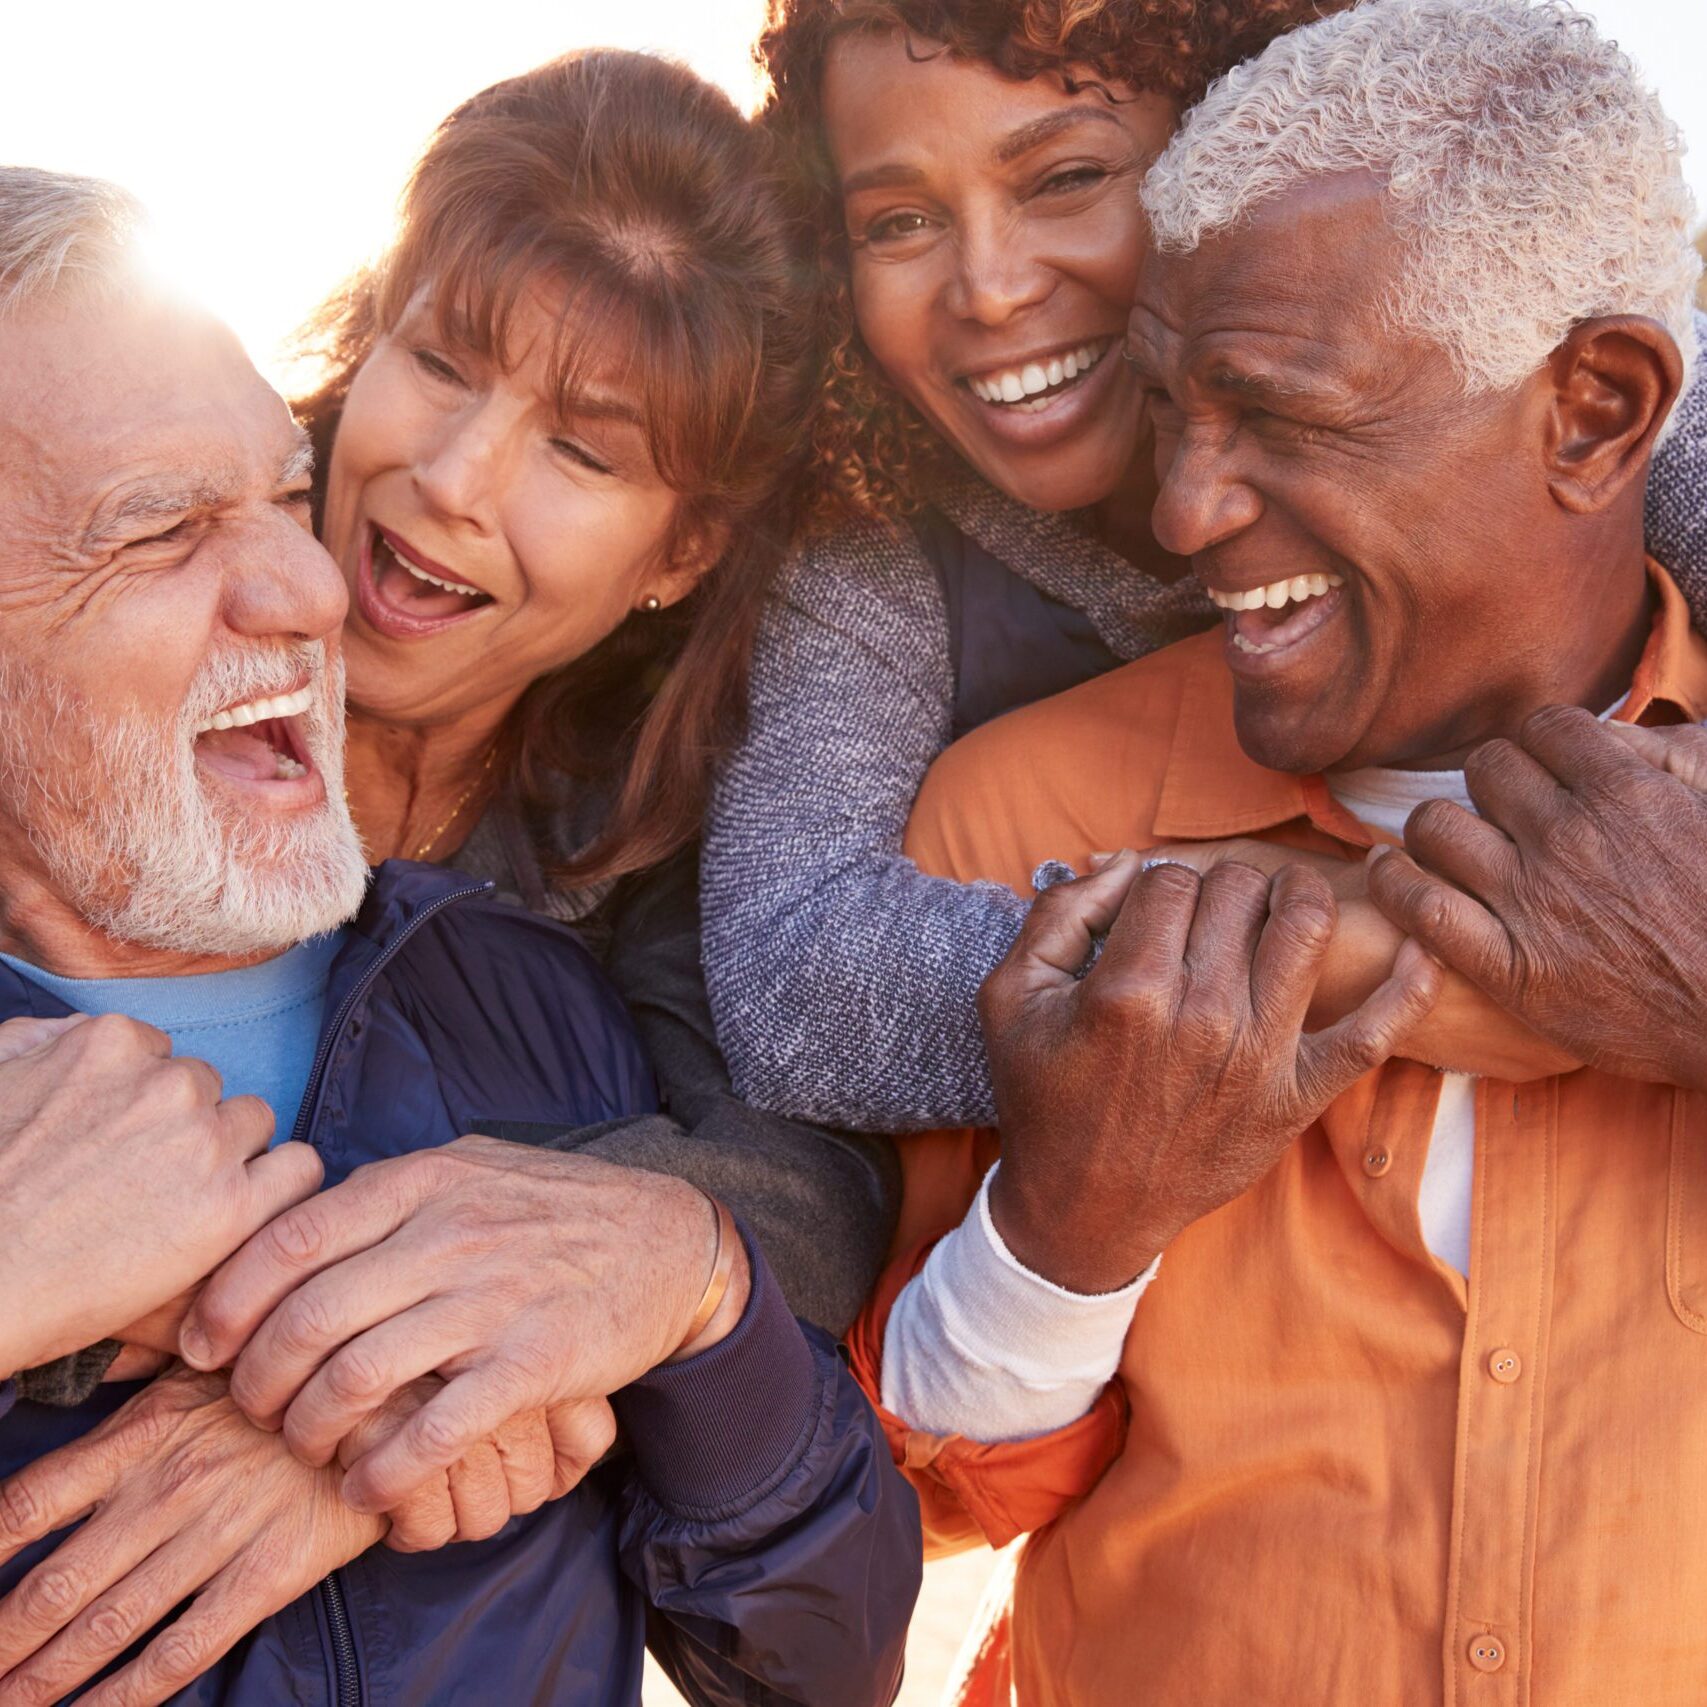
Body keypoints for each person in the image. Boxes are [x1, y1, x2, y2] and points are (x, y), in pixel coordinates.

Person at [845, 2, 1707, 1700]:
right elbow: (902, 1501)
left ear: (1594, 411)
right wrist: (1072, 1225)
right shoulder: (1007, 823)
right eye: (1175, 408)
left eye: (1283, 417)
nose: (1179, 509)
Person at [0, 165, 918, 1706]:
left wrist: (685, 1285)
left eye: (279, 497)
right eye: (164, 531)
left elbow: (824, 1656)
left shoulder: (550, 981)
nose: (313, 585)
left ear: (676, 553)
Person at [698, 0, 1707, 1136]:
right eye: (896, 222)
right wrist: (1356, 934)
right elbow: (794, 987)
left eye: (1066, 179)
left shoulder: (1573, 381)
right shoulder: (872, 554)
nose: (988, 287)